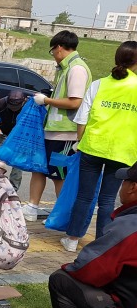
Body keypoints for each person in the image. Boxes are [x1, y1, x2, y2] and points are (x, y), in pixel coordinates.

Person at [47, 161, 137, 308]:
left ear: (133, 187)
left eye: (124, 182)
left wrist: (72, 268)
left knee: (61, 279)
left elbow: (87, 269)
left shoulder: (130, 227)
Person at [59, 41, 137, 251]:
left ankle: (72, 240)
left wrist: (80, 143)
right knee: (108, 199)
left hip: (92, 146)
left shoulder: (99, 84)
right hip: (123, 150)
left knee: (84, 196)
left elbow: (82, 118)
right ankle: (102, 243)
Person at [23, 31, 92, 222]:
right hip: (52, 131)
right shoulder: (65, 68)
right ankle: (32, 207)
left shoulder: (77, 69)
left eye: (52, 50)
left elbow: (75, 102)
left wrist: (46, 100)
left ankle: (62, 215)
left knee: (59, 175)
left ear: (59, 48)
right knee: (39, 168)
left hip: (66, 134)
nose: (53, 54)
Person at [0, 90, 27, 190]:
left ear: (23, 101)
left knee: (18, 164)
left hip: (20, 137)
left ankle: (13, 189)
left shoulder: (29, 105)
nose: (13, 110)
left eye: (16, 107)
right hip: (1, 133)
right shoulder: (1, 103)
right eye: (11, 107)